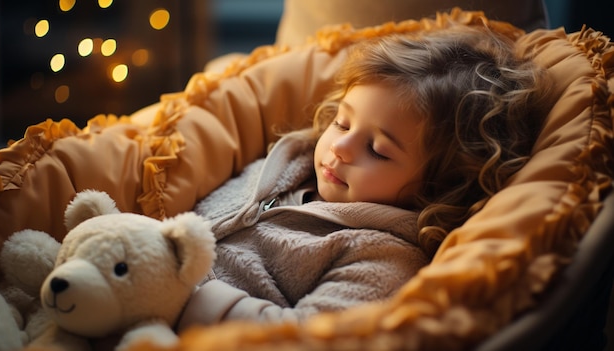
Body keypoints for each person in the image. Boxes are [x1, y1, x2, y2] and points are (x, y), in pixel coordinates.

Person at [176, 24, 551, 329]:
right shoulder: (285, 166)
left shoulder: (382, 260)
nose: (340, 147)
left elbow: (306, 340)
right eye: (342, 122)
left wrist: (182, 296)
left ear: (438, 187)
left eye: (377, 151)